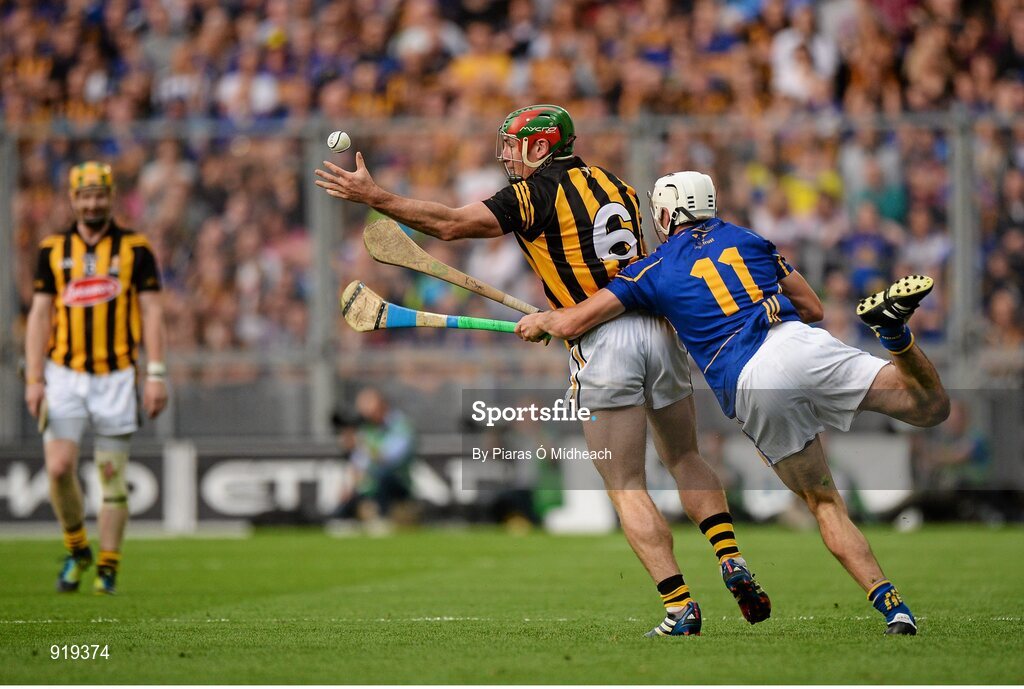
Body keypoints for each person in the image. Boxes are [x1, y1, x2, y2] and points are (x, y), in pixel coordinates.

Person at [315, 105, 770, 636]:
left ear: (541, 146)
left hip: (602, 341)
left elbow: (452, 224)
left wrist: (377, 198)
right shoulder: (615, 183)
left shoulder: (536, 193)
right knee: (685, 455)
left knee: (625, 481)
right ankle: (730, 557)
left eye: (514, 144)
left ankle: (680, 607)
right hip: (657, 329)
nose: (506, 153)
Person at [515, 170, 951, 635]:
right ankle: (895, 334)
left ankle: (892, 605)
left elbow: (574, 322)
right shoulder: (749, 238)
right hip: (801, 343)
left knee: (825, 503)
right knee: (929, 408)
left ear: (667, 213)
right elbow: (814, 308)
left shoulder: (652, 268)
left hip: (752, 379)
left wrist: (544, 321)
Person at [24, 161, 168, 595]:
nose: (92, 203)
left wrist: (156, 373)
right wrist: (34, 378)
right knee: (59, 466)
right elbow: (39, 316)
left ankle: (107, 565)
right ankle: (76, 548)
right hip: (64, 374)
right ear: (72, 200)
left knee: (110, 476)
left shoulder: (136, 248)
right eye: (84, 196)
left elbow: (153, 312)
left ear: (111, 197)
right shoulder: (52, 249)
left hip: (117, 376)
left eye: (99, 195)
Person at [333, 388, 417, 526]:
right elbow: (358, 463)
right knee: (355, 485)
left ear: (381, 405)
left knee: (382, 474)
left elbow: (392, 459)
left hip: (397, 484)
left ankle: (383, 518)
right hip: (371, 483)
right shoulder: (367, 429)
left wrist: (364, 444)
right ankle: (342, 518)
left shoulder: (400, 425)